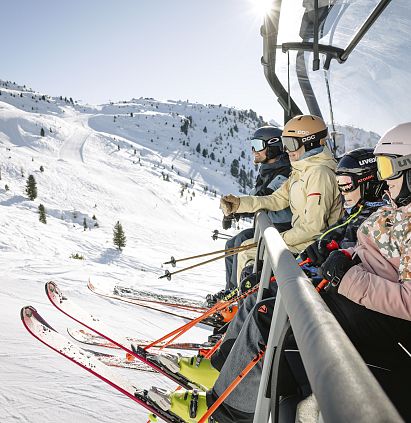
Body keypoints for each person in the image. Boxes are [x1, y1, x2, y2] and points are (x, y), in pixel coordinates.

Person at [147, 123, 411, 423]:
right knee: (270, 309)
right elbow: (370, 249)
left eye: (388, 168)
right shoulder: (395, 209)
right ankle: (225, 384)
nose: (383, 179)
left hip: (376, 319)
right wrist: (343, 255)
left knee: (274, 316)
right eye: (379, 169)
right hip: (354, 296)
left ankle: (224, 412)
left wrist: (347, 273)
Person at [222, 114, 343, 284]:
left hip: (313, 245)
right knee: (245, 249)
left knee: (248, 252)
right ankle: (240, 299)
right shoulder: (301, 170)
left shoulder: (319, 174)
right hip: (301, 239)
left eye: (291, 144)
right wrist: (239, 204)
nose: (287, 150)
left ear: (310, 143)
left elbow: (313, 228)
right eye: (285, 143)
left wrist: (277, 240)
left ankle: (243, 300)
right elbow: (275, 199)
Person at [220, 126, 292, 296]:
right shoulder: (267, 170)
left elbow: (265, 197)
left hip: (282, 227)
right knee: (232, 244)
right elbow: (255, 196)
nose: (254, 150)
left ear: (275, 146)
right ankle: (230, 291)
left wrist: (239, 207)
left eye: (258, 145)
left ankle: (235, 295)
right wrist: (234, 210)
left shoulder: (285, 171)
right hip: (271, 225)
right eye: (252, 145)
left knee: (240, 244)